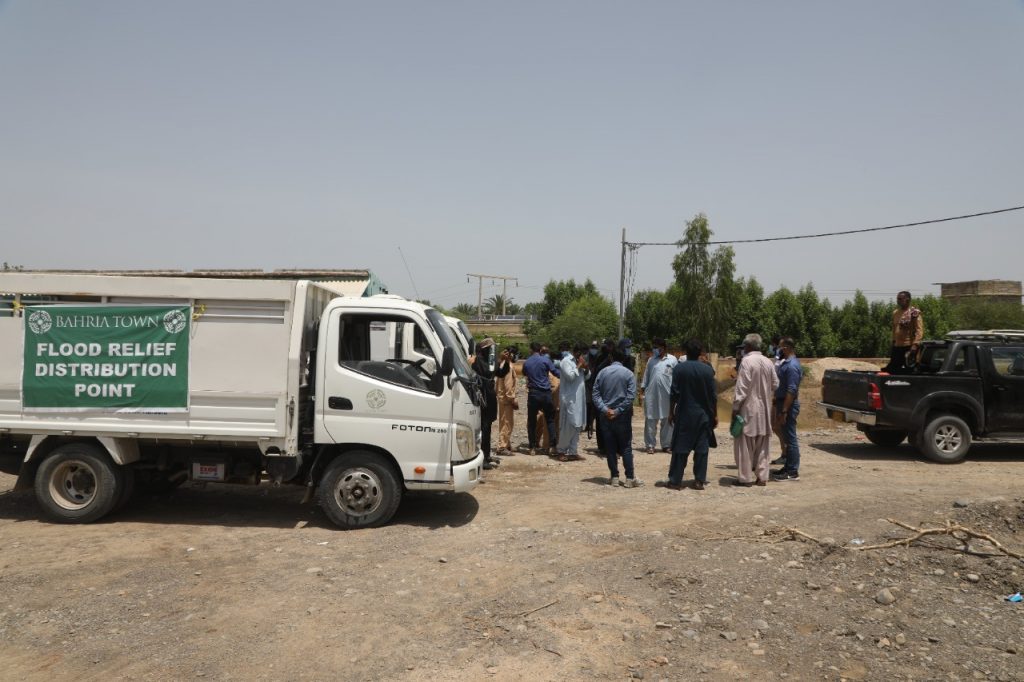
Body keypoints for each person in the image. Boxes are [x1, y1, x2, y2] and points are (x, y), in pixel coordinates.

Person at [663, 338, 718, 490]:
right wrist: (715, 415)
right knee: (701, 449)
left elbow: (674, 393)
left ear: (686, 352)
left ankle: (675, 481)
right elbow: (713, 396)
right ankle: (699, 480)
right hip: (703, 415)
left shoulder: (679, 369)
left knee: (680, 448)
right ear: (700, 352)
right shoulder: (708, 370)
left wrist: (670, 412)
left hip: (684, 414)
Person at [731, 333, 779, 487]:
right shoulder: (768, 361)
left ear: (748, 346)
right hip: (764, 409)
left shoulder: (746, 362)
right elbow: (775, 384)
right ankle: (762, 477)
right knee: (763, 445)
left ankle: (745, 479)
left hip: (748, 409)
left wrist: (735, 408)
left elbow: (742, 388)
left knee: (745, 445)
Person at [593, 347, 642, 488]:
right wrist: (618, 410)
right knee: (626, 447)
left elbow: (596, 394)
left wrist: (605, 409)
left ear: (610, 358)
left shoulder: (602, 373)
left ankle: (614, 477)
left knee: (610, 447)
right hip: (622, 416)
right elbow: (631, 396)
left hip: (605, 416)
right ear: (624, 359)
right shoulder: (628, 374)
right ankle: (629, 478)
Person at [470, 338, 511, 470]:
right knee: (484, 428)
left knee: (487, 427)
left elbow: (501, 373)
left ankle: (486, 455)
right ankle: (482, 458)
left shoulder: (489, 361)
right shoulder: (477, 360)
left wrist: (506, 361)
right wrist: (499, 359)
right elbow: (488, 372)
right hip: (483, 398)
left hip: (489, 396)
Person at [771, 337, 803, 482]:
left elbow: (791, 390)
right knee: (787, 436)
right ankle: (788, 466)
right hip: (782, 403)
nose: (779, 350)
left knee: (790, 438)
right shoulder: (786, 364)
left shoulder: (791, 366)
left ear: (788, 348)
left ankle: (792, 471)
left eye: (781, 347)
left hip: (787, 405)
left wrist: (784, 410)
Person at [640, 337, 678, 453]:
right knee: (651, 420)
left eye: (657, 347)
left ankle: (666, 445)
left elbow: (676, 377)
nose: (655, 349)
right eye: (654, 347)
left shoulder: (672, 360)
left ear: (664, 348)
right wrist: (642, 390)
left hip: (667, 395)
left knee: (667, 419)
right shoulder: (651, 360)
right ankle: (650, 445)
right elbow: (646, 376)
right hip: (652, 395)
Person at [523, 341, 559, 455]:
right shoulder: (546, 360)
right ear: (540, 350)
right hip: (546, 394)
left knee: (532, 421)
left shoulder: (527, 362)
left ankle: (532, 447)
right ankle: (552, 447)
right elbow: (555, 372)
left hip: (533, 394)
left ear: (531, 350)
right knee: (550, 420)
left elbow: (525, 373)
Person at [556, 342, 589, 462]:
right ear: (576, 353)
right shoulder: (566, 361)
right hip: (569, 399)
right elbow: (570, 377)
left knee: (577, 425)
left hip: (579, 399)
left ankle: (573, 451)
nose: (583, 357)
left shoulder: (579, 362)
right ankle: (561, 450)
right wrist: (579, 365)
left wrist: (586, 368)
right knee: (568, 425)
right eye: (581, 354)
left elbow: (587, 376)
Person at [885, 291, 924, 374]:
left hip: (909, 347)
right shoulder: (895, 313)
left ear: (907, 299)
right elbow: (894, 329)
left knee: (910, 371)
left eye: (900, 299)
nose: (898, 301)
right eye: (897, 299)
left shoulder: (914, 313)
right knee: (892, 370)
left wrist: (915, 344)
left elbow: (919, 330)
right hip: (897, 346)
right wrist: (893, 343)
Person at [495, 344, 519, 457]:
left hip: (501, 398)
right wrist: (512, 399)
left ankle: (507, 444)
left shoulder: (503, 364)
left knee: (504, 422)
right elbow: (508, 385)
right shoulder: (508, 366)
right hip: (506, 400)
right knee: (507, 423)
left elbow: (497, 383)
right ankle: (502, 447)